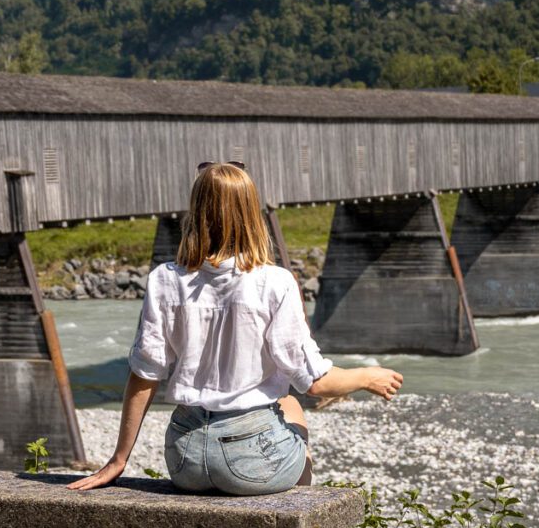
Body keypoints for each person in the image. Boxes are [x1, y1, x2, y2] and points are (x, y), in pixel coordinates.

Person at [68, 163, 403, 495]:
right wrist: (367, 376)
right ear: (250, 212)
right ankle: (292, 521)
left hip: (186, 460)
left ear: (195, 210)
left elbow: (145, 375)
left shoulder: (164, 280)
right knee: (291, 405)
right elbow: (314, 382)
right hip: (251, 460)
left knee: (282, 404)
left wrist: (118, 459)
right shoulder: (274, 282)